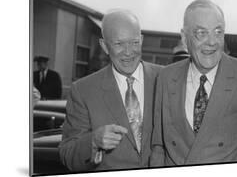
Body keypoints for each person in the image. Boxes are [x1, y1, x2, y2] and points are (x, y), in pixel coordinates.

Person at [150, 0, 237, 166]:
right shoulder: (165, 77)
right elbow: (158, 146)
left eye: (218, 31)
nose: (212, 42)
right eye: (201, 33)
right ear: (184, 38)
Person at [59, 9, 162, 171]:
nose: (128, 52)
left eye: (134, 42)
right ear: (105, 46)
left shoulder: (167, 79)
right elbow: (68, 155)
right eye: (119, 44)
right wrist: (93, 142)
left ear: (141, 40)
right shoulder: (83, 91)